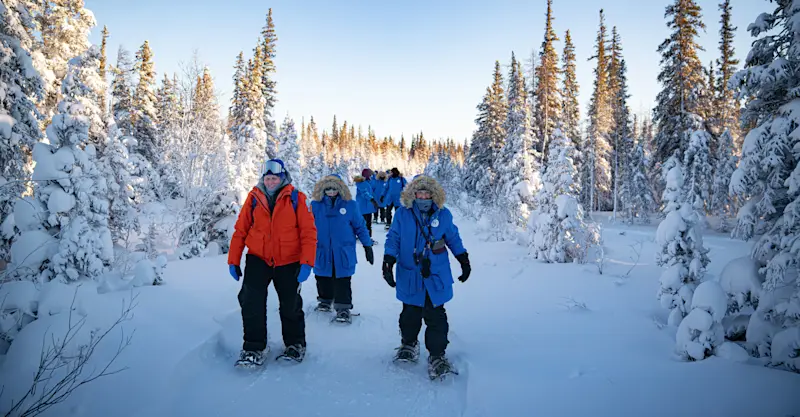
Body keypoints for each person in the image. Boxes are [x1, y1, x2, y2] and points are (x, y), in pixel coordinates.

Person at [228, 159, 317, 367]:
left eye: (274, 178)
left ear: (282, 177)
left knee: (290, 304)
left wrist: (306, 262)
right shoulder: (253, 199)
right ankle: (254, 347)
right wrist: (234, 260)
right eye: (267, 178)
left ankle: (295, 344)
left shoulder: (296, 198)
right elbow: (240, 231)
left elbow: (308, 232)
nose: (270, 182)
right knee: (251, 302)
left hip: (288, 261)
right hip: (258, 258)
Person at [382, 175, 471, 380]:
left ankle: (437, 355)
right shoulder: (402, 215)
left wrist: (463, 260)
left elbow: (453, 238)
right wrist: (388, 259)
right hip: (410, 273)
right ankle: (409, 344)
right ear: (413, 194)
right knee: (410, 314)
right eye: (419, 193)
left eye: (427, 193)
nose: (423, 197)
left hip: (435, 275)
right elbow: (393, 237)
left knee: (436, 316)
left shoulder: (444, 215)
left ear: (434, 195)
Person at [310, 174, 374, 323]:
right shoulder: (315, 205)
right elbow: (307, 227)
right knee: (322, 276)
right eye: (328, 189)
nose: (331, 192)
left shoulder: (350, 205)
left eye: (334, 189)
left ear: (340, 189)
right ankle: (325, 300)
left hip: (343, 251)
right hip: (322, 249)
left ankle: (343, 308)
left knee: (343, 280)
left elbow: (360, 226)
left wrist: (367, 245)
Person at [354, 169, 379, 236]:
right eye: (370, 175)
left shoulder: (367, 182)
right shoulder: (361, 183)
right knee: (365, 223)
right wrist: (372, 200)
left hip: (367, 207)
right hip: (363, 207)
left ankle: (367, 237)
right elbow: (364, 193)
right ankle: (366, 237)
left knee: (367, 223)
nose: (371, 176)